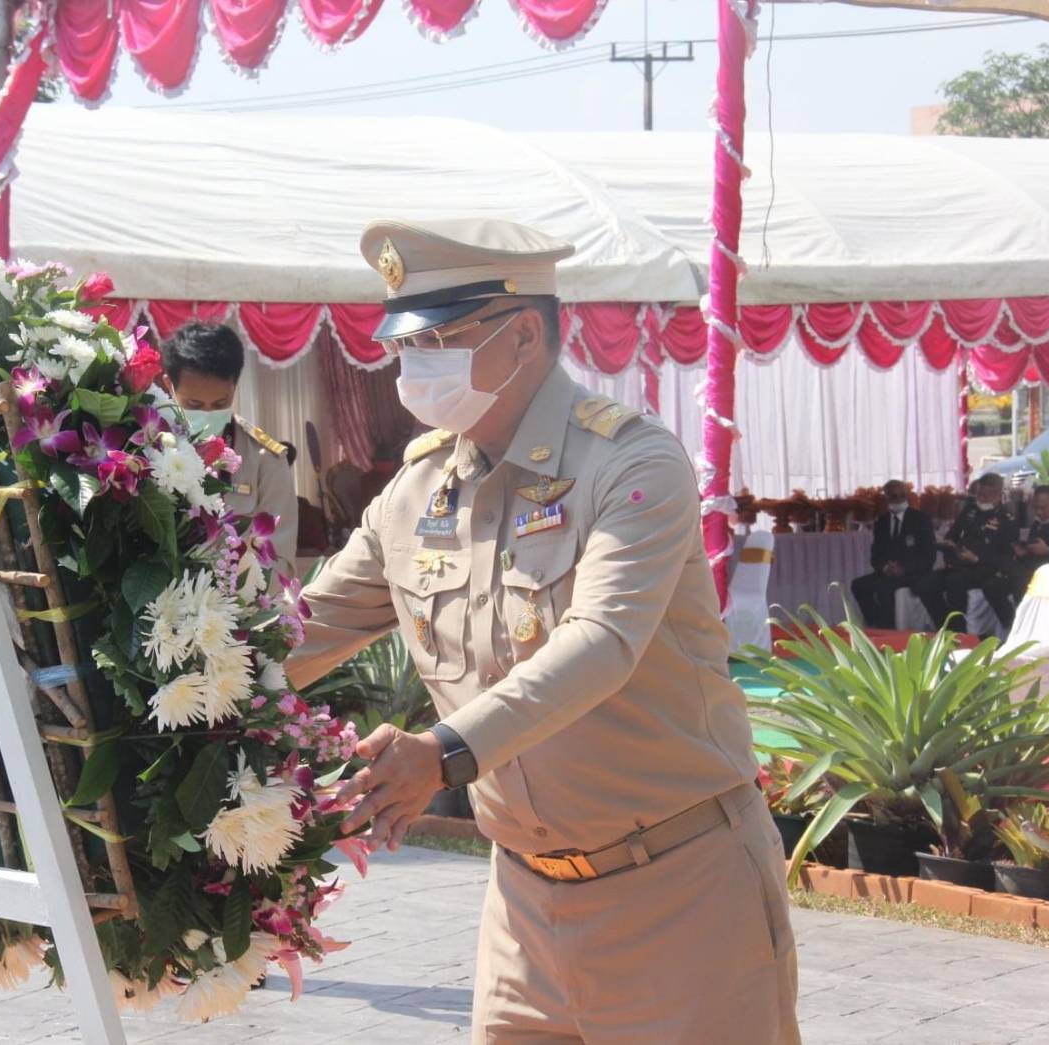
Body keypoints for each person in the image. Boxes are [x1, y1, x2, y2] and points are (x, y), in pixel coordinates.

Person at [283, 220, 796, 1044]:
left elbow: (601, 643)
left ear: (523, 334)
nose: (414, 367)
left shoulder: (630, 464)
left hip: (677, 889)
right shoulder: (416, 493)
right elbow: (299, 636)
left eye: (442, 339)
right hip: (523, 903)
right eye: (407, 345)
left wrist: (441, 753)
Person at [159, 322, 298, 572]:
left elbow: (279, 557)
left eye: (220, 402)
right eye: (194, 403)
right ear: (169, 385)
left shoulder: (266, 459)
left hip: (235, 603)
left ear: (235, 385)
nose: (208, 413)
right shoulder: (150, 446)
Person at [912, 473, 1018, 635]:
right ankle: (945, 627)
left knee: (955, 583)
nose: (981, 497)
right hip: (958, 564)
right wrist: (947, 543)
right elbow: (952, 535)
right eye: (979, 492)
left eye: (986, 493)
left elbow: (1005, 556)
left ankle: (959, 632)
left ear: (997, 495)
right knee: (925, 585)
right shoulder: (970, 511)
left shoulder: (1006, 519)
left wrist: (976, 559)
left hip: (983, 569)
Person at [850, 480, 937, 630]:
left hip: (913, 573)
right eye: (893, 496)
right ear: (887, 498)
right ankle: (874, 623)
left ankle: (888, 630)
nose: (897, 500)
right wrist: (884, 567)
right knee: (859, 585)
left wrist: (903, 568)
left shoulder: (921, 519)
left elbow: (928, 555)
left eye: (901, 496)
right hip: (888, 571)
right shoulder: (882, 522)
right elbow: (876, 554)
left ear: (907, 496)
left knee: (884, 588)